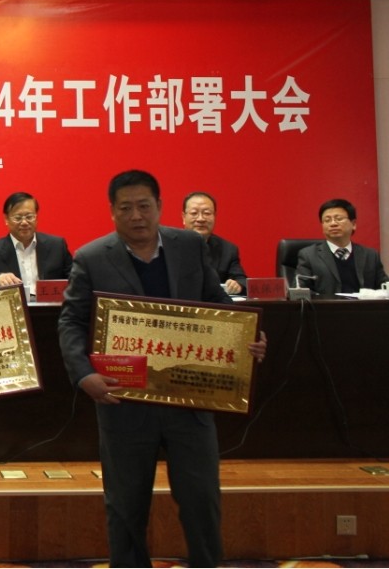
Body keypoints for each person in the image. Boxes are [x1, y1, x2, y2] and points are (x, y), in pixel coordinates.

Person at [58, 169, 267, 568]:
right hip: (124, 401)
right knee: (125, 506)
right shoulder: (91, 257)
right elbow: (71, 321)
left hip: (190, 400)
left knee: (202, 500)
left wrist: (246, 339)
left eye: (144, 206)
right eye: (126, 208)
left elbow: (216, 302)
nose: (136, 216)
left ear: (160, 206)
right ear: (112, 211)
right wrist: (83, 374)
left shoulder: (189, 245)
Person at [296, 198, 388, 296]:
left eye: (339, 219)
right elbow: (300, 291)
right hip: (326, 306)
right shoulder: (309, 255)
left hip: (363, 305)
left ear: (353, 224)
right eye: (327, 220)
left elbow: (385, 287)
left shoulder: (370, 255)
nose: (333, 224)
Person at [0, 192, 72, 297]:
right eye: (18, 218)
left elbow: (74, 278)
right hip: (15, 306)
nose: (24, 222)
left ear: (36, 217)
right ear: (6, 219)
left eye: (29, 217)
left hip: (50, 305)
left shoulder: (57, 246)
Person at [181, 191, 248, 295]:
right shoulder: (168, 246)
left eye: (207, 213)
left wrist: (237, 285)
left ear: (214, 216)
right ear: (183, 217)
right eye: (194, 213)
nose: (201, 219)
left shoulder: (227, 250)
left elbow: (242, 280)